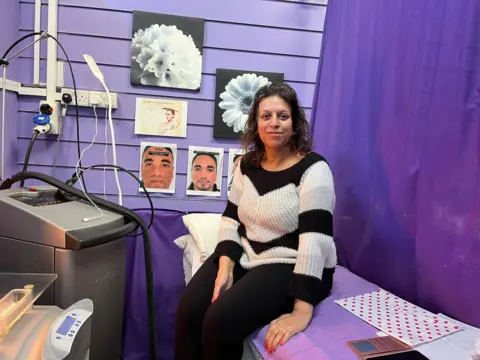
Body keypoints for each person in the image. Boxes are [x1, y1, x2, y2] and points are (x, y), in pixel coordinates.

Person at [175, 83, 337, 359]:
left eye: (283, 116)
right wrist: (225, 266)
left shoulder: (315, 170)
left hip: (291, 263)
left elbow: (314, 241)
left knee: (219, 320)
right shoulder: (246, 165)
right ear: (256, 123)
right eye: (266, 116)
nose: (274, 123)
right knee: (188, 311)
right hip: (249, 256)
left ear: (295, 123)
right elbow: (230, 219)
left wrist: (301, 311)